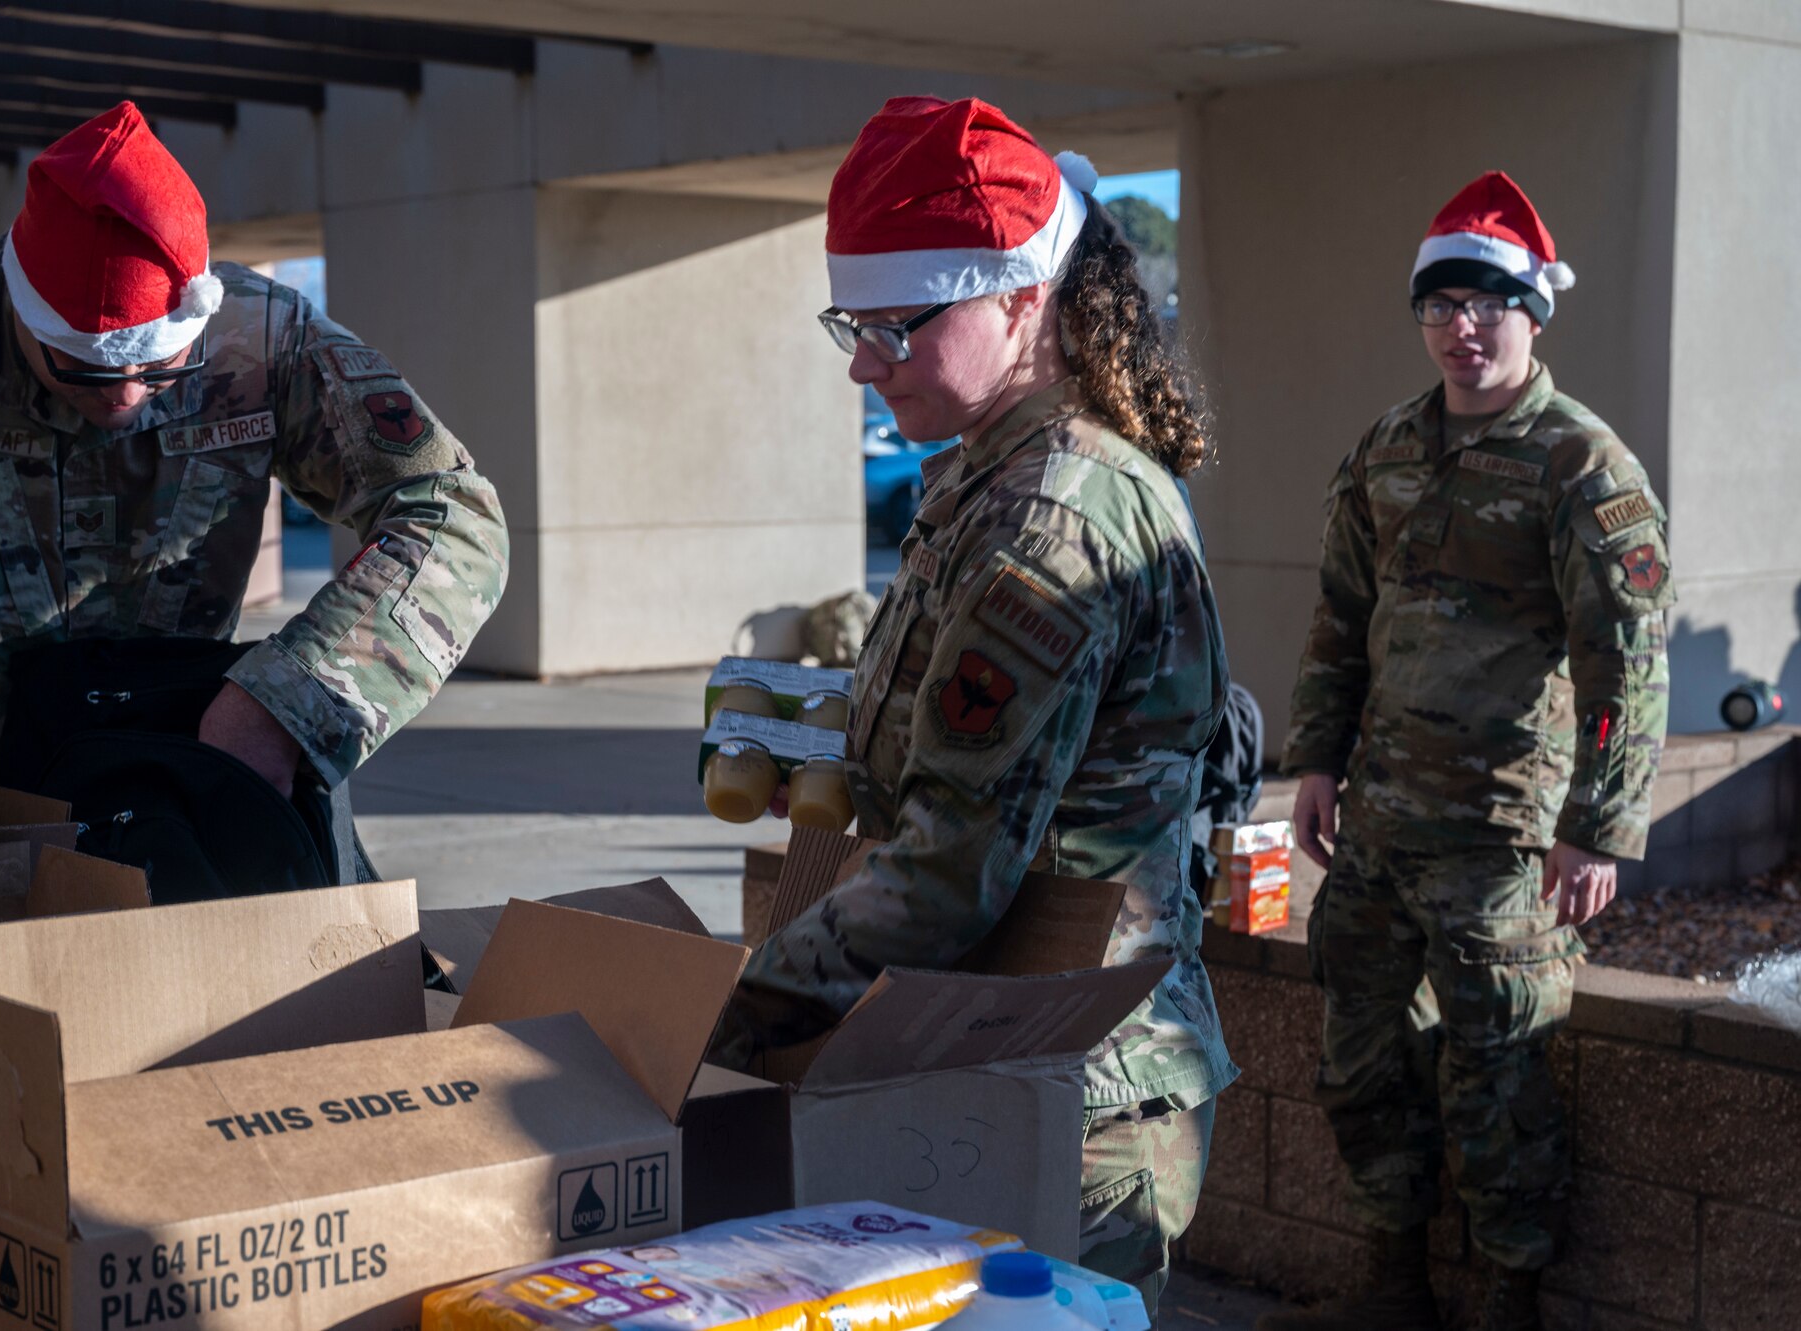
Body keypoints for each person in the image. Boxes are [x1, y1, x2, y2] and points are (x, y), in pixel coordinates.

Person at [714, 96, 1235, 1315]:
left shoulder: (1047, 521)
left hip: (1067, 1092)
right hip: (1009, 1057)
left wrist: (715, 1017)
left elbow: (950, 871)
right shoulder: (994, 476)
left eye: (897, 324)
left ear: (1019, 302)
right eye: (851, 322)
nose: (861, 360)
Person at [0, 102, 507, 801]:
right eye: (84, 370)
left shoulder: (263, 342)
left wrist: (290, 701)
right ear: (20, 310)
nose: (126, 398)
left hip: (173, 798)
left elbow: (452, 513)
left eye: (162, 369)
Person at [1262, 173, 1672, 1331]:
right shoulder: (1389, 446)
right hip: (1381, 822)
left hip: (1503, 837)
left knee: (1497, 1080)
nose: (1461, 326)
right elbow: (1341, 613)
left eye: (1487, 302)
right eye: (1439, 303)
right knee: (1361, 1060)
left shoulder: (1580, 464)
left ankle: (1506, 1306)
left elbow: (1625, 661)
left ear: (1532, 313)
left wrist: (1596, 824)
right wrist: (1316, 760)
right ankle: (1389, 1287)